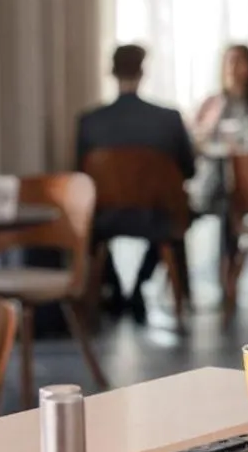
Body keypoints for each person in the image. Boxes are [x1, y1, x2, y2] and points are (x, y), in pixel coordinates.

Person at [76, 45, 196, 322]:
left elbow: (81, 180)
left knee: (93, 232)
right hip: (158, 218)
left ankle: (116, 291)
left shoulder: (89, 123)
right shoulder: (168, 119)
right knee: (175, 219)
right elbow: (187, 171)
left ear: (111, 72)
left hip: (105, 219)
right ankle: (140, 286)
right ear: (142, 71)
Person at [193, 44, 248, 145]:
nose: (232, 67)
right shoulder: (209, 104)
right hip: (215, 158)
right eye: (228, 62)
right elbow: (194, 137)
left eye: (238, 61)